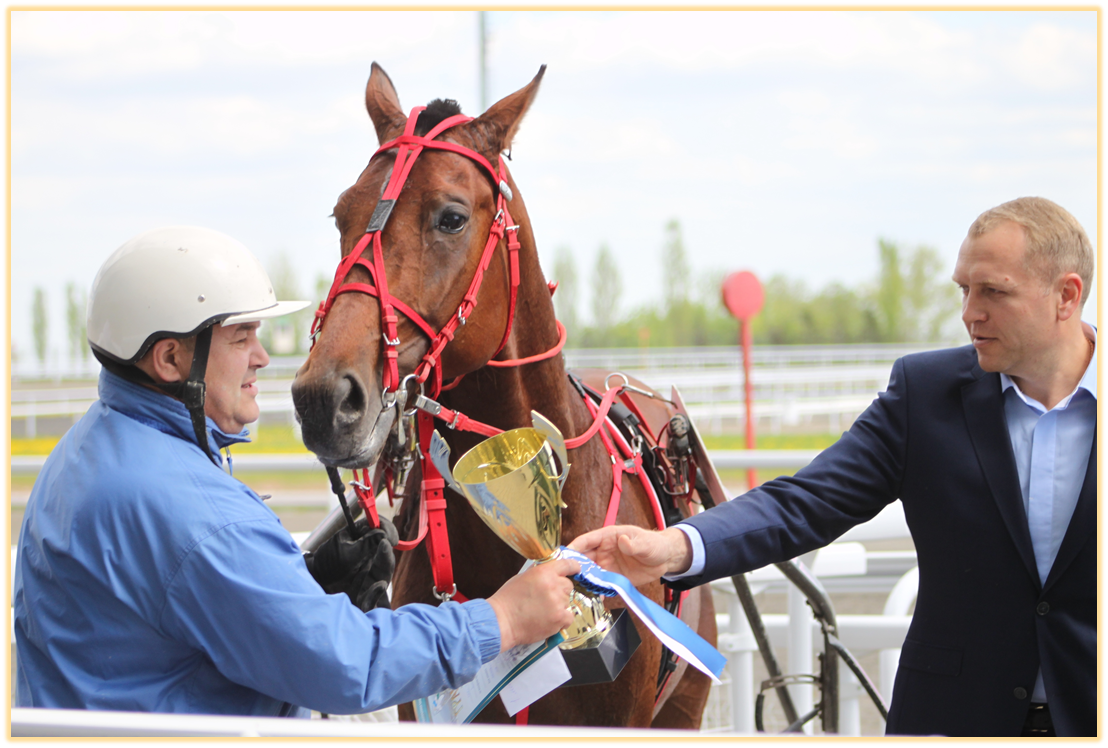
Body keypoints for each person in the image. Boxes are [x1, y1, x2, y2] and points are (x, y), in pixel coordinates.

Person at [571, 197, 1096, 737]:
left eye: (993, 292)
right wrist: (674, 547)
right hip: (954, 723)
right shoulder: (925, 394)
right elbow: (806, 501)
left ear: (1066, 295)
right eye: (965, 289)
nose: (969, 312)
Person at [14, 225, 578, 716]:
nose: (261, 358)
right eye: (241, 337)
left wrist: (302, 584)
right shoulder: (196, 516)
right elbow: (348, 667)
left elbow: (173, 621)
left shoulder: (91, 447)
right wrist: (502, 619)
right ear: (169, 359)